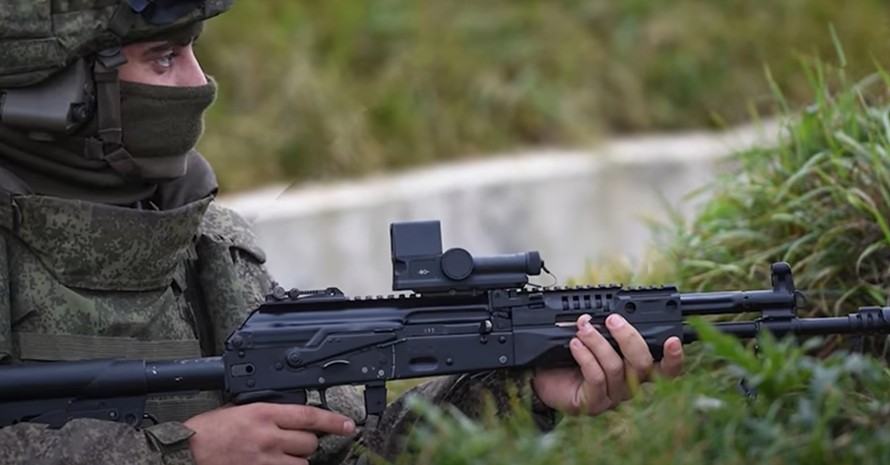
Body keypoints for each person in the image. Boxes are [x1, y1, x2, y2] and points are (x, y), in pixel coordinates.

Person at [0, 2, 685, 464]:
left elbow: (351, 444)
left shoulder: (209, 246)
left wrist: (522, 392)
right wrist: (181, 451)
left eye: (192, 52)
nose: (199, 82)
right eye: (162, 57)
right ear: (58, 87)